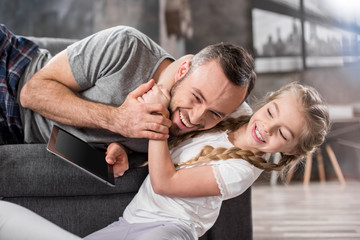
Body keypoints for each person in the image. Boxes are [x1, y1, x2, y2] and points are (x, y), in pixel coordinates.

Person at [0, 82, 329, 240]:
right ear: (266, 103)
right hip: (129, 222)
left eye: (282, 134)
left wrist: (155, 117)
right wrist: (128, 151)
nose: (266, 128)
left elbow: (166, 181)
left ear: (288, 151)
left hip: (170, 230)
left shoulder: (241, 171)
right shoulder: (237, 114)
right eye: (271, 112)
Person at [1, 24, 256, 156]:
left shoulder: (186, 133)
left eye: (215, 114)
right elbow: (32, 92)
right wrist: (117, 120)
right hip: (13, 71)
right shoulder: (127, 46)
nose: (197, 118)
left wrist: (119, 149)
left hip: (15, 132)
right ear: (182, 70)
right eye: (197, 97)